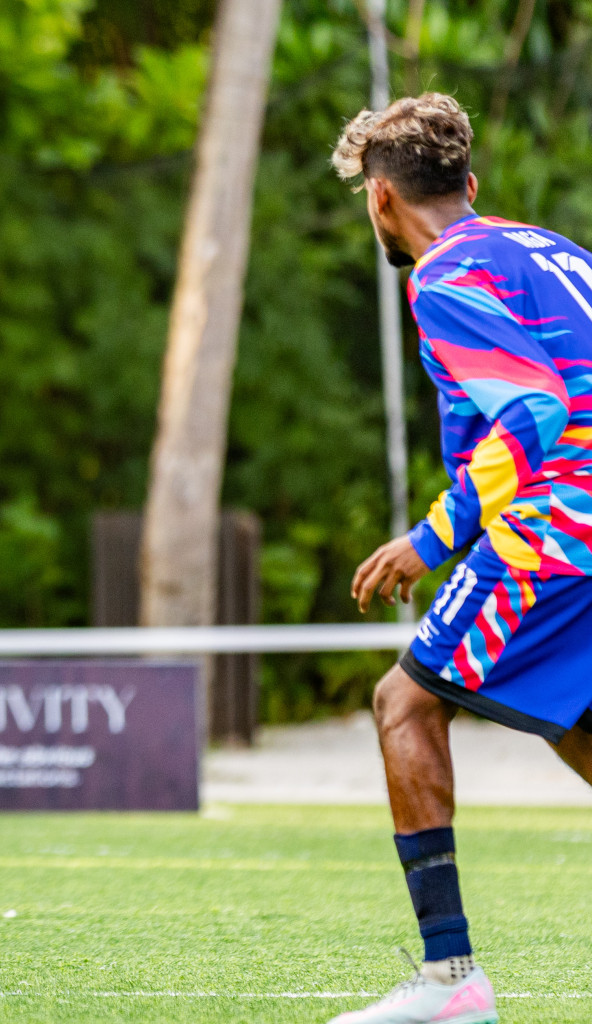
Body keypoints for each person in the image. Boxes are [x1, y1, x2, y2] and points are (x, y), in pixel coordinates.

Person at [329, 92, 592, 1024]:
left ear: (381, 199)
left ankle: (450, 985)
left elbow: (536, 415)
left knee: (404, 702)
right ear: (470, 185)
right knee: (574, 727)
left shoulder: (443, 276)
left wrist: (430, 542)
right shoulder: (555, 252)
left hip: (559, 529)